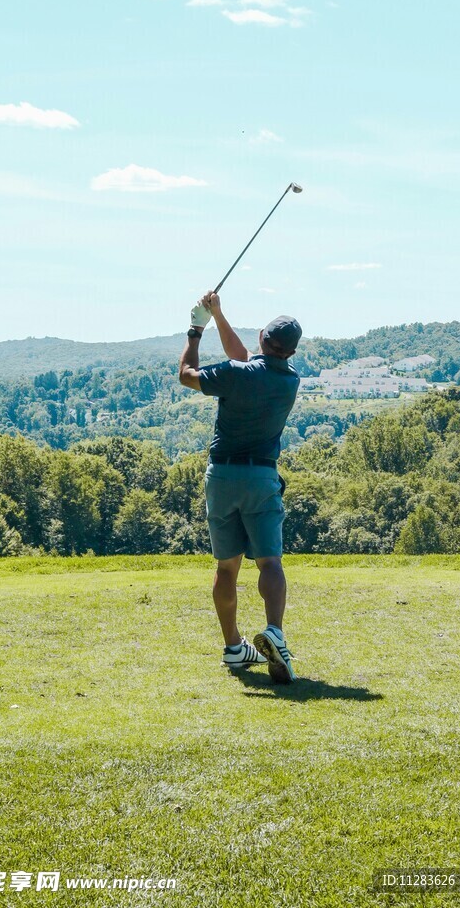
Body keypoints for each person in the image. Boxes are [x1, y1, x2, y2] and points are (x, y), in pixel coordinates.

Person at [178, 290, 302, 684]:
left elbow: (187, 376)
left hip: (222, 476)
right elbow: (246, 359)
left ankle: (234, 647)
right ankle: (275, 633)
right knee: (269, 562)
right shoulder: (289, 380)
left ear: (263, 339)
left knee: (226, 567)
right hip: (261, 477)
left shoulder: (237, 374)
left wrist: (195, 332)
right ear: (290, 352)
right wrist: (218, 315)